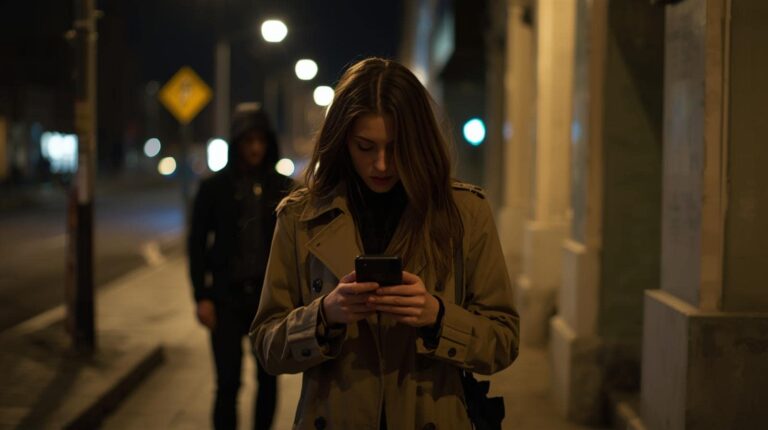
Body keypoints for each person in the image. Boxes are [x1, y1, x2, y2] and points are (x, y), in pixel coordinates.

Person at [250, 58, 519, 429]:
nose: (381, 164)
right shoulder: (300, 217)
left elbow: (503, 340)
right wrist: (324, 315)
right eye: (366, 146)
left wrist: (437, 317)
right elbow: (266, 345)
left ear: (419, 142)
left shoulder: (465, 213)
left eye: (396, 148)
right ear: (343, 140)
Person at [188, 103, 294, 430]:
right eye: (248, 141)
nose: (255, 148)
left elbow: (297, 247)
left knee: (269, 378)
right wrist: (201, 296)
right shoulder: (213, 187)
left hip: (268, 300)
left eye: (260, 140)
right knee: (228, 383)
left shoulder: (284, 188)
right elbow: (196, 245)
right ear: (237, 143)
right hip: (226, 299)